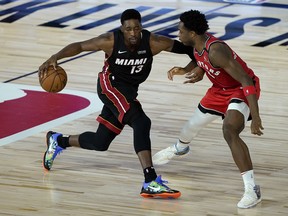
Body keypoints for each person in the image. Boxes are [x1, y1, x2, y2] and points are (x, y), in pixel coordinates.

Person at [38, 9, 201, 199]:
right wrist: (55, 57)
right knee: (141, 122)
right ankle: (150, 180)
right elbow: (80, 46)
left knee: (100, 142)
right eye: (128, 29)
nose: (132, 33)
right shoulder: (110, 40)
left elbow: (192, 50)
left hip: (128, 92)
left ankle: (58, 140)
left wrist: (191, 69)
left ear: (141, 27)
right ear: (122, 29)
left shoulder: (154, 42)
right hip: (110, 86)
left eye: (136, 28)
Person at [152, 10, 264, 208]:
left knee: (229, 131)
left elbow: (246, 80)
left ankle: (251, 189)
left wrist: (255, 117)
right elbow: (200, 60)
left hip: (241, 89)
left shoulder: (216, 50)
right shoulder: (196, 45)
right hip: (219, 90)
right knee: (190, 126)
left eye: (181, 31)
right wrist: (189, 69)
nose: (179, 35)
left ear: (192, 33)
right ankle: (180, 148)